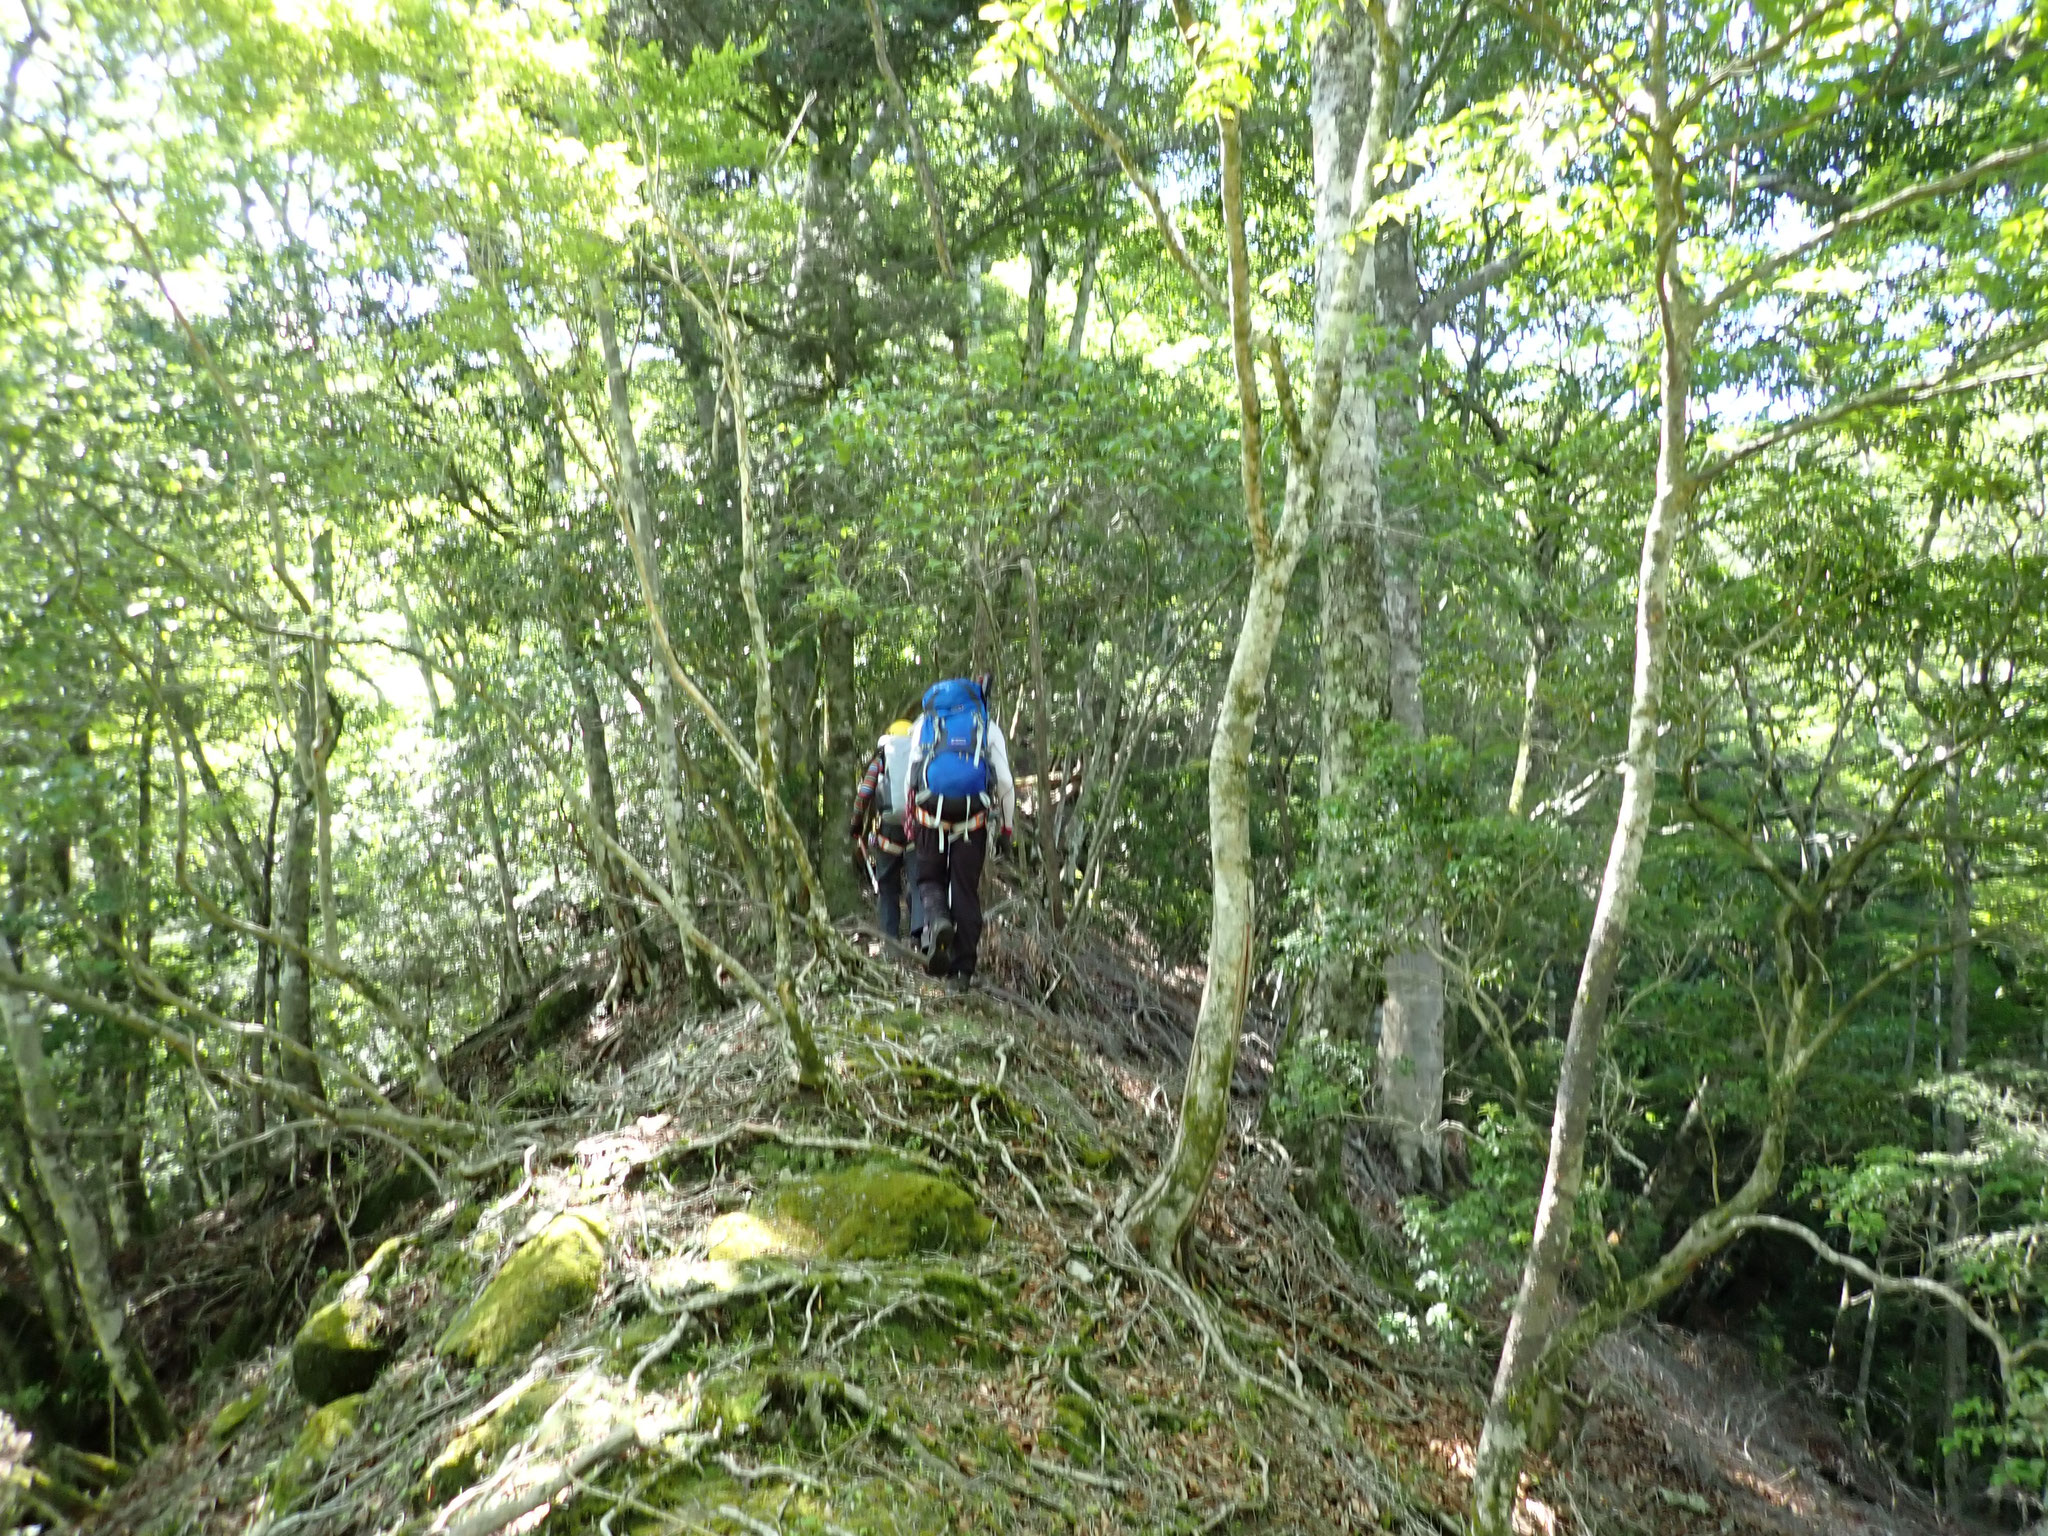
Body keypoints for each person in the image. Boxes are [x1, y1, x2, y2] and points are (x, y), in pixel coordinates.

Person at [903, 674, 1014, 991]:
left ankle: (937, 921)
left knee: (929, 879)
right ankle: (962, 973)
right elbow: (1004, 783)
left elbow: (911, 777)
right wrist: (1006, 828)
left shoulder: (925, 722)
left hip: (929, 815)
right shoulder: (986, 726)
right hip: (972, 821)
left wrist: (911, 820)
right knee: (964, 890)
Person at [848, 717, 923, 941]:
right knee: (918, 882)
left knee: (888, 887)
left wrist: (856, 823)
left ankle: (891, 944)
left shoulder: (881, 758)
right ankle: (920, 939)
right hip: (916, 828)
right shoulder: (919, 755)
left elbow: (864, 793)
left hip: (887, 832)